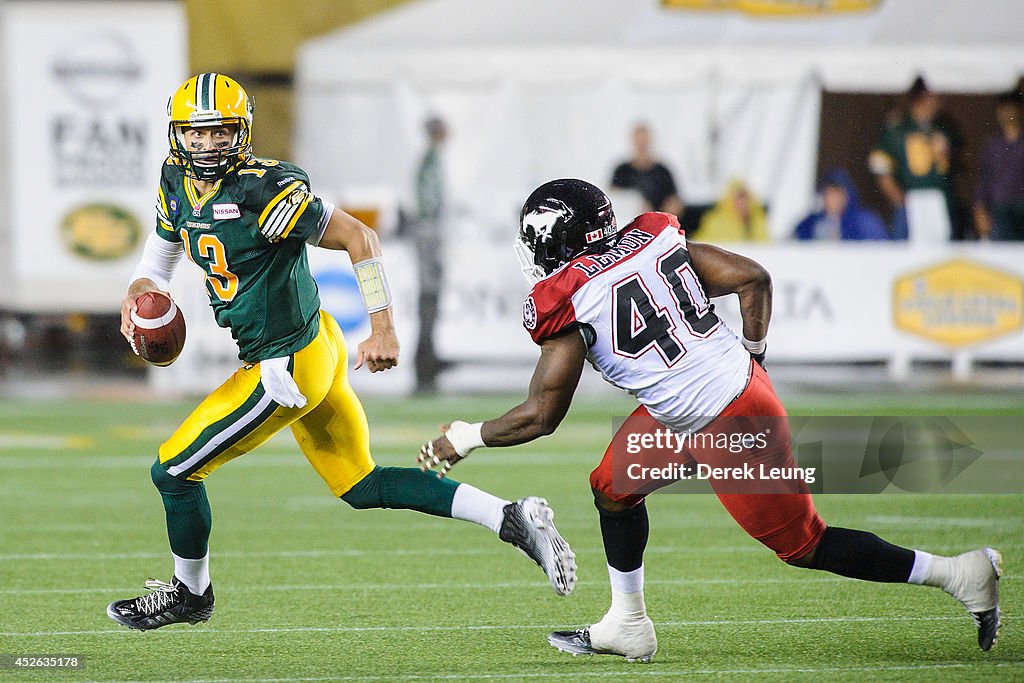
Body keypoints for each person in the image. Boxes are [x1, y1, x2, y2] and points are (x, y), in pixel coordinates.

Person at [418, 178, 1002, 662]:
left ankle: (958, 573)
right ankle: (628, 623)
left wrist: (465, 437)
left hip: (725, 420)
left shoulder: (572, 297)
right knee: (612, 487)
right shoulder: (652, 240)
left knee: (804, 544)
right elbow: (754, 279)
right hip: (718, 397)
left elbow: (543, 415)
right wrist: (754, 355)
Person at [107, 74, 576, 631]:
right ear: (178, 135)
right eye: (197, 133)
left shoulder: (264, 188)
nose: (208, 146)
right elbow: (159, 257)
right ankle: (511, 517)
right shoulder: (175, 178)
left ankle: (190, 594)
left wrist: (382, 327)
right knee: (361, 484)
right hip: (315, 343)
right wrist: (139, 295)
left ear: (243, 132)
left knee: (173, 472)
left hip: (284, 366)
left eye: (220, 132)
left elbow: (361, 237)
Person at [869, 77, 962, 240]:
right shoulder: (899, 129)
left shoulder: (945, 126)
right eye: (934, 96)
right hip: (911, 204)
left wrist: (946, 152)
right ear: (922, 97)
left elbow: (962, 163)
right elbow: (880, 168)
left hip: (942, 204)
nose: (938, 102)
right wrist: (900, 201)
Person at [412, 116, 450, 393]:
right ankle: (425, 359)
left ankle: (427, 356)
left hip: (429, 233)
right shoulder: (430, 161)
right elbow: (428, 203)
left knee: (431, 297)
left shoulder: (431, 160)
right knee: (429, 294)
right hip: (429, 234)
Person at [974, 90, 1024, 241]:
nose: (1006, 114)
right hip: (1000, 207)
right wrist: (979, 207)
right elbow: (984, 177)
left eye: (1010, 108)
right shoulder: (993, 143)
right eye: (1002, 109)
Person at [793, 168, 889, 241]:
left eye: (838, 194)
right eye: (829, 194)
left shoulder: (865, 222)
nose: (833, 199)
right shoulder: (811, 222)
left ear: (848, 196)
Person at [611, 123, 684, 216]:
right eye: (639, 141)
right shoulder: (622, 171)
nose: (642, 145)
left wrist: (662, 214)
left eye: (644, 141)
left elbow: (675, 202)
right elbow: (615, 199)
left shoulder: (662, 171)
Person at [696, 179, 770, 243]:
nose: (742, 205)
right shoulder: (715, 221)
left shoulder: (759, 221)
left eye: (745, 200)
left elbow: (766, 246)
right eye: (738, 200)